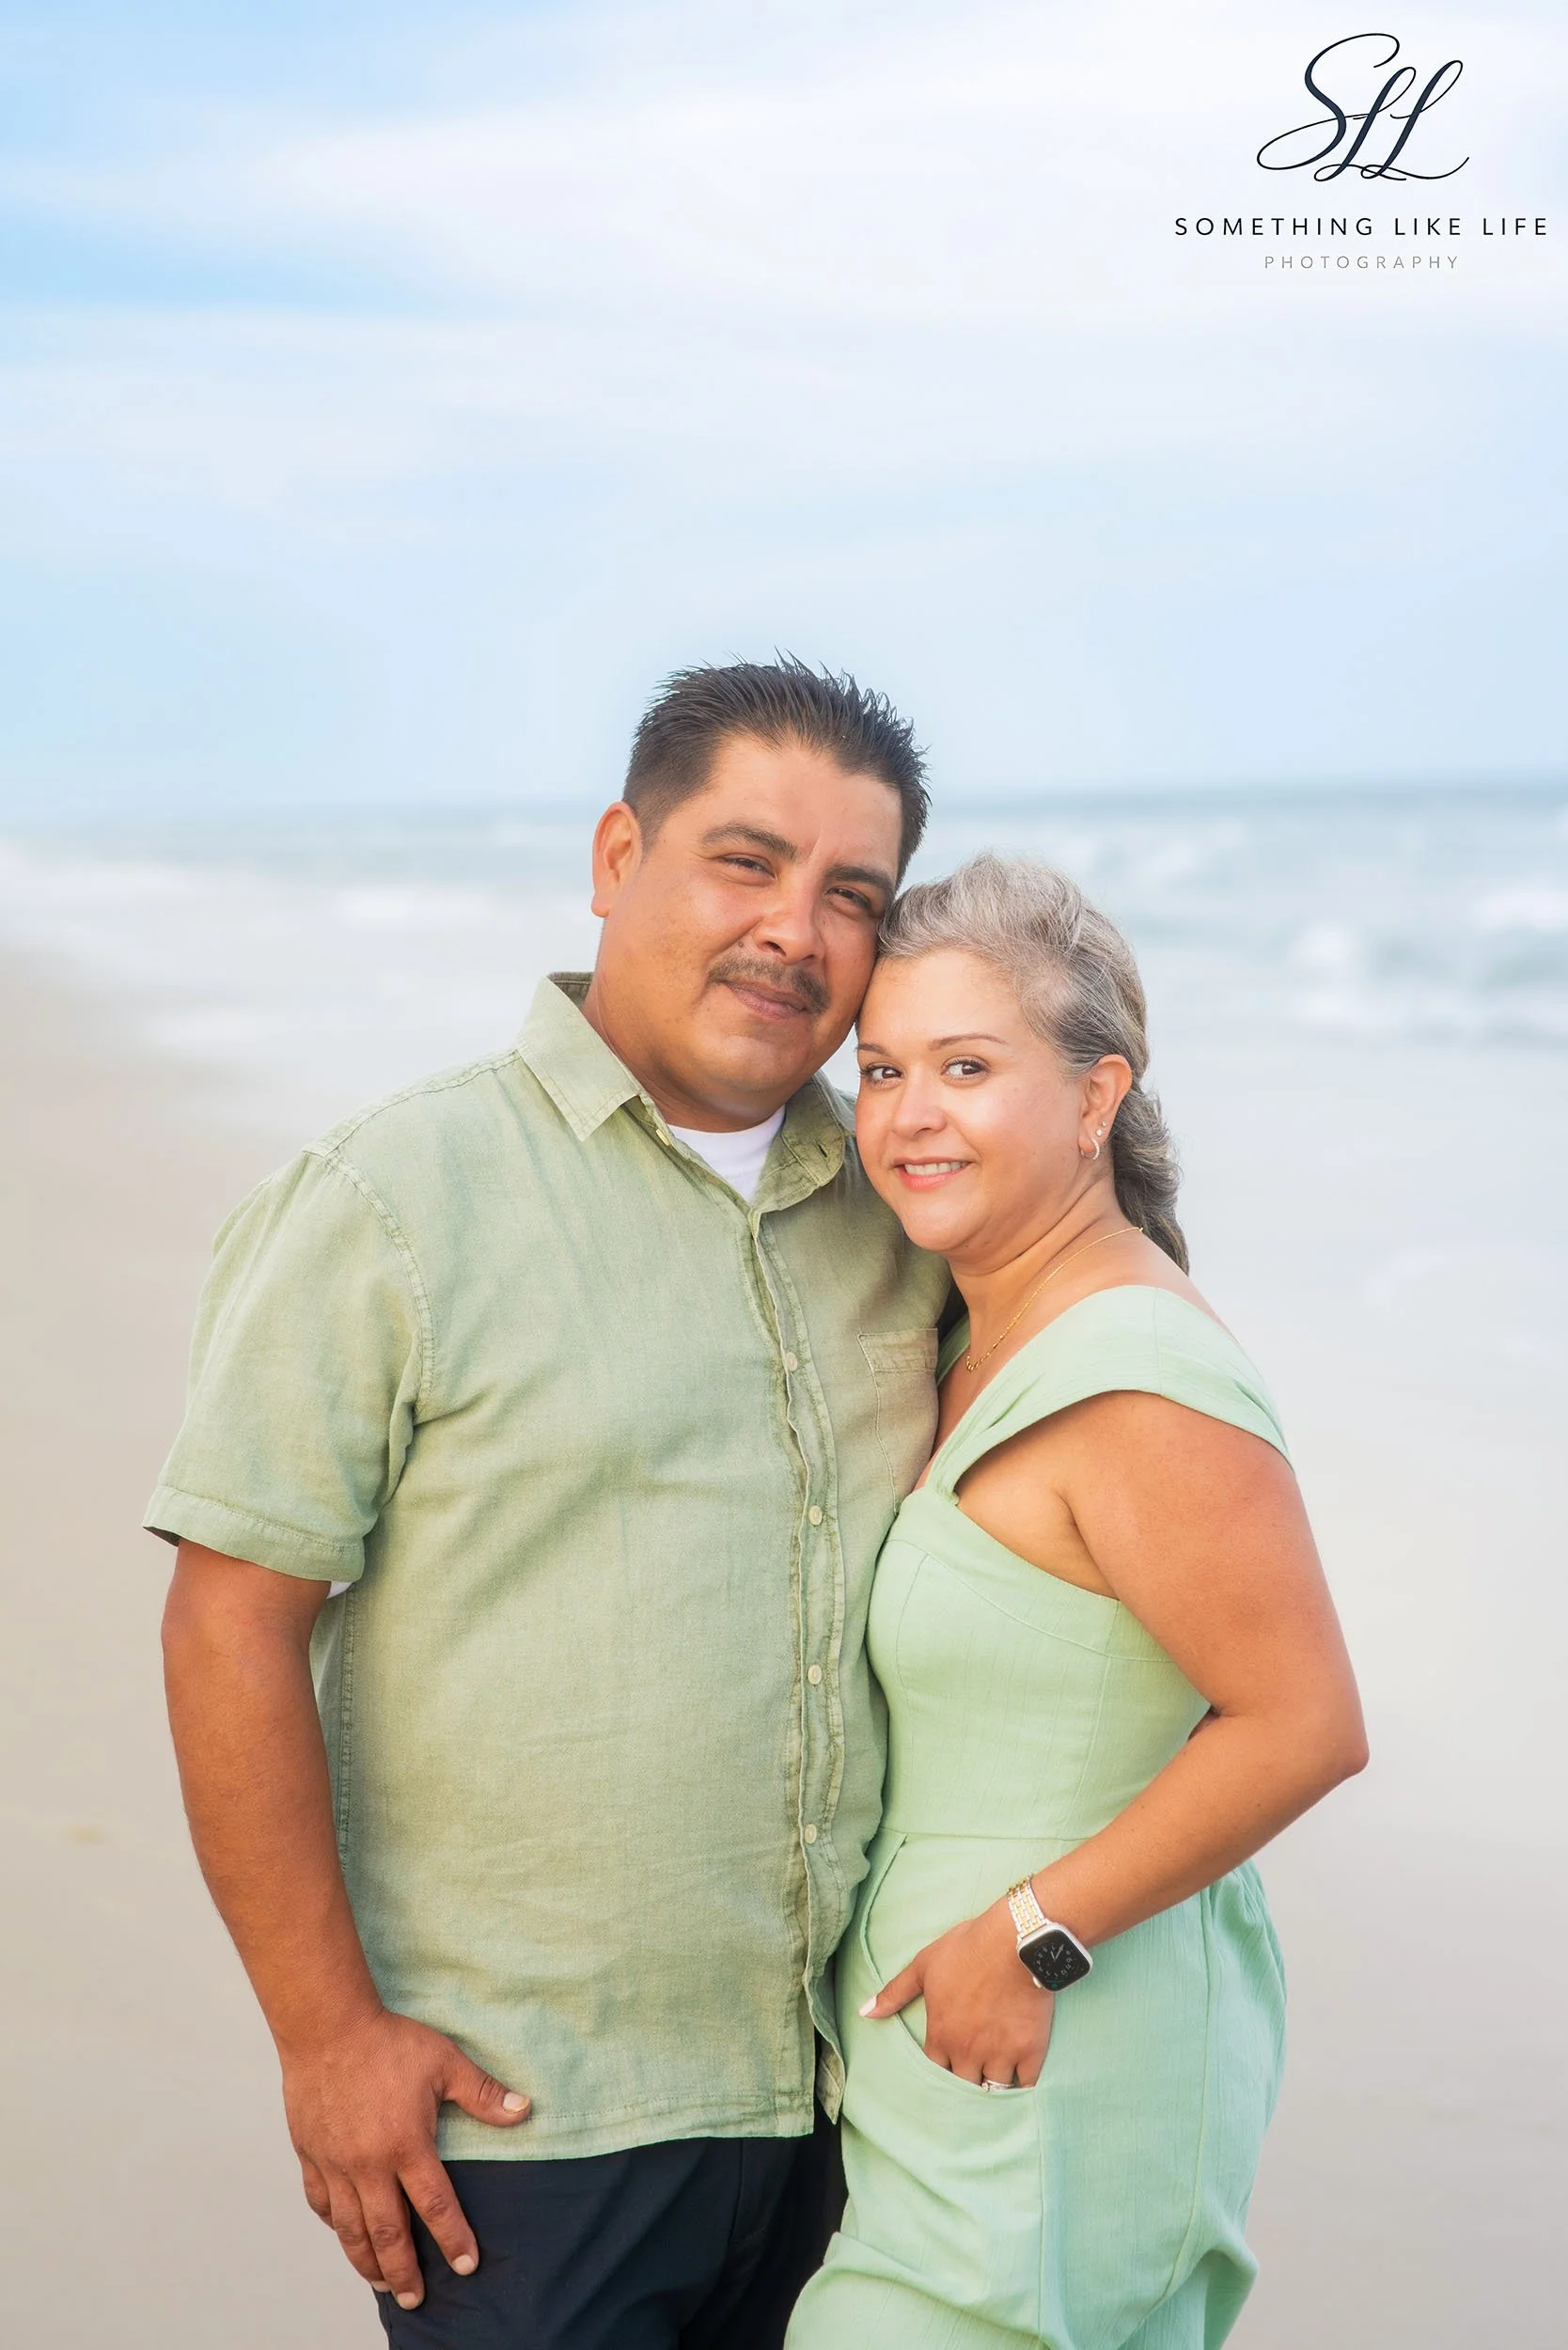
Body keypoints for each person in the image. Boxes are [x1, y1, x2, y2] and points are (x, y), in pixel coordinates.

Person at [149, 660, 952, 2349]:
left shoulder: (904, 1218)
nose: (796, 931)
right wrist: (323, 2041)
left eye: (851, 897)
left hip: (852, 2113)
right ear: (616, 856)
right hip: (526, 2127)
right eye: (747, 861)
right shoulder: (391, 1196)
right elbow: (232, 1616)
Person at [787, 854, 1368, 2350]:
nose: (911, 1116)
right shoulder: (971, 1329)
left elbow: (1302, 1723)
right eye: (886, 1070)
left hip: (1050, 2062)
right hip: (958, 2093)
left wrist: (1032, 1934)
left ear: (1098, 1096)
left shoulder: (1138, 1373)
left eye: (968, 1068)